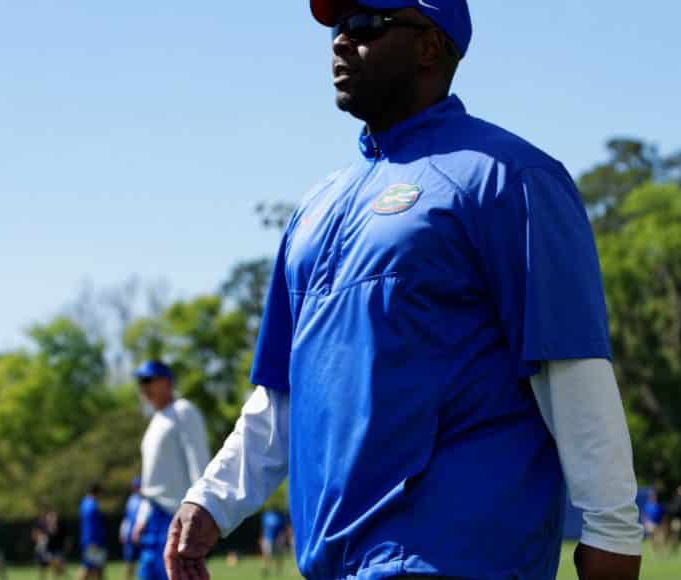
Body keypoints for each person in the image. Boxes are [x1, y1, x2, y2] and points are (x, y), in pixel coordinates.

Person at [166, 2, 644, 579]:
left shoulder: (510, 176)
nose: (341, 42)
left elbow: (571, 366)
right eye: (338, 27)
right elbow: (283, 395)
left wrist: (613, 530)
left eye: (365, 24)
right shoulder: (315, 208)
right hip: (334, 563)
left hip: (458, 558)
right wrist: (211, 500)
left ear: (430, 45)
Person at [131, 360, 210, 580]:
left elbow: (199, 463)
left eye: (148, 380)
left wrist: (202, 510)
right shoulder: (156, 419)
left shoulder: (183, 411)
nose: (143, 387)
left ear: (166, 382)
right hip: (153, 518)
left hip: (174, 516)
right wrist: (142, 517)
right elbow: (151, 479)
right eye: (140, 382)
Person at [79, 483, 108, 580]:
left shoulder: (84, 503)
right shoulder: (91, 505)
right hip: (93, 542)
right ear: (97, 492)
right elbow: (90, 525)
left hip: (89, 540)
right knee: (91, 569)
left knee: (94, 569)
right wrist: (92, 541)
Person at [120, 477, 144, 580]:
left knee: (142, 561)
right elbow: (126, 518)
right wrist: (122, 532)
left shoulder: (145, 500)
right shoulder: (131, 499)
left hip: (141, 535)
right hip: (130, 536)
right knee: (129, 562)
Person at [259, 509, 287, 577]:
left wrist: (283, 538)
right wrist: (262, 538)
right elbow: (263, 528)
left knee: (279, 556)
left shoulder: (281, 516)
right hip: (267, 538)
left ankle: (279, 571)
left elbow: (284, 529)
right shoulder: (266, 515)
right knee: (267, 555)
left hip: (278, 539)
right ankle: (266, 569)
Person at [642, 491, 668, 557]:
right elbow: (644, 515)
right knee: (652, 540)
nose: (653, 497)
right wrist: (645, 523)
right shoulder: (647, 505)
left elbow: (664, 516)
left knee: (661, 539)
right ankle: (655, 553)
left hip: (659, 525)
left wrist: (664, 524)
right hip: (650, 524)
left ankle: (661, 552)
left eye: (654, 496)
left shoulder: (660, 505)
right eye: (652, 496)